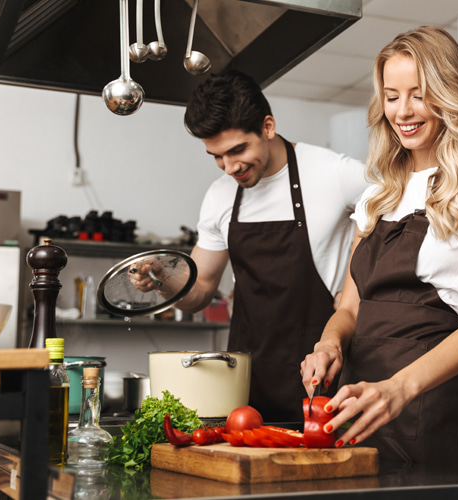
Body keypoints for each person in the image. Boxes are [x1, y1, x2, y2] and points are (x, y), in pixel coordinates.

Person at [299, 26, 458, 472]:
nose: (403, 111)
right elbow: (349, 308)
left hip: (428, 406)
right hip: (357, 408)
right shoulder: (376, 196)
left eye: (418, 94)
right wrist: (328, 343)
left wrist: (399, 388)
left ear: (449, 93)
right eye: (392, 95)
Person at [129, 70, 369, 422]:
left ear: (267, 127)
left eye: (237, 150)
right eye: (216, 156)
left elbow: (392, 206)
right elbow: (200, 291)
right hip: (246, 389)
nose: (229, 167)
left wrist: (353, 287)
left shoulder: (332, 173)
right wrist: (164, 276)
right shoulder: (220, 197)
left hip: (324, 381)